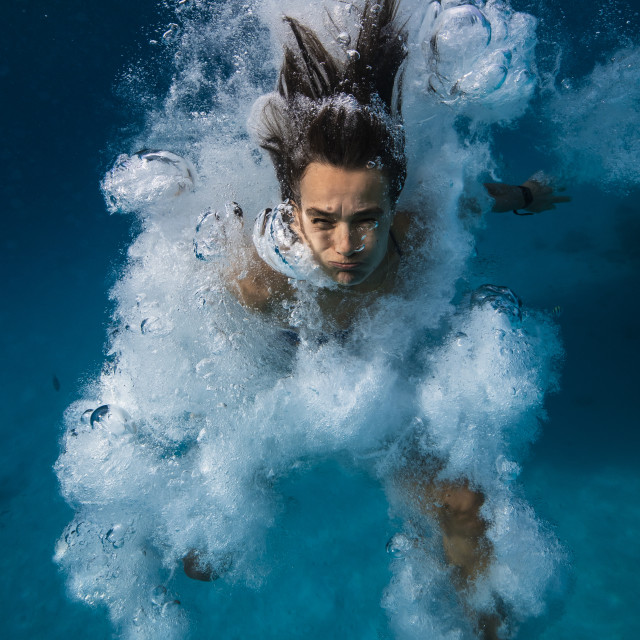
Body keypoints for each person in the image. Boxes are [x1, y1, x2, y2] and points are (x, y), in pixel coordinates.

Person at [185, 2, 569, 638]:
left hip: (384, 371)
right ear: (294, 213)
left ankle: (484, 624)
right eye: (323, 221)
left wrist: (528, 196)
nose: (346, 246)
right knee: (212, 535)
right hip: (289, 370)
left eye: (367, 220)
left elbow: (477, 196)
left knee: (464, 506)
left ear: (395, 204)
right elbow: (211, 345)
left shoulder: (421, 234)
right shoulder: (263, 280)